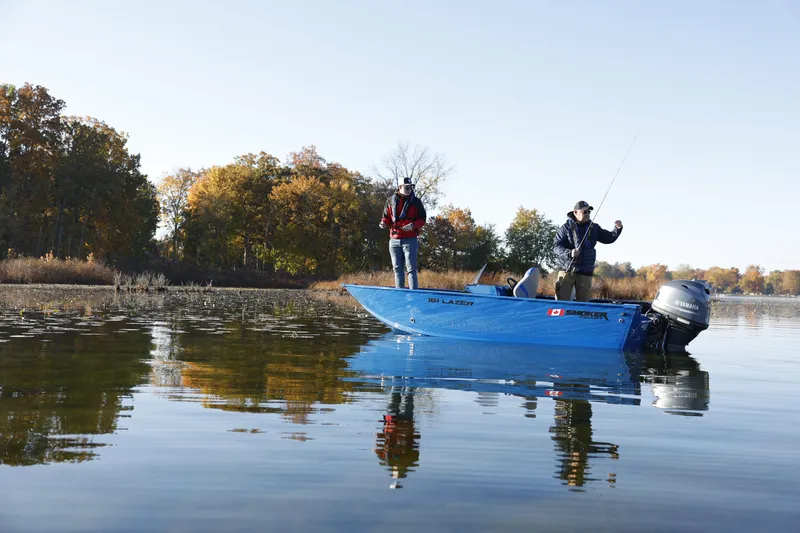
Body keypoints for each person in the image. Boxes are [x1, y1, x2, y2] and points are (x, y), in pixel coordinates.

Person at [553, 200, 623, 302]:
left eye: (589, 212)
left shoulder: (594, 228)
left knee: (584, 305)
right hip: (566, 271)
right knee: (561, 303)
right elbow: (556, 247)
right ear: (575, 212)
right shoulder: (565, 228)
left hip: (586, 273)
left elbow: (609, 238)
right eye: (584, 212)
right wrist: (570, 253)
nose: (588, 214)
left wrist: (617, 229)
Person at [379, 178, 427, 289]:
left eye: (410, 187)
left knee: (411, 268)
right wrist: (383, 223)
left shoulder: (416, 202)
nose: (409, 189)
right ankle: (399, 293)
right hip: (394, 240)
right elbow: (385, 217)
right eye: (406, 187)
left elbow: (422, 219)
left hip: (410, 239)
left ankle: (413, 293)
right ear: (400, 187)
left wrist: (412, 226)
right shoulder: (390, 201)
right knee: (397, 268)